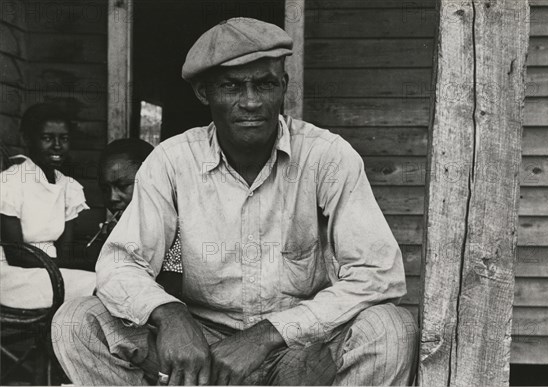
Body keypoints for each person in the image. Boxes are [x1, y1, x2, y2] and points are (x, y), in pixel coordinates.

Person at [52, 18, 418, 386]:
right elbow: (120, 262)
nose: (251, 101)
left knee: (390, 329)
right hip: (202, 350)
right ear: (203, 93)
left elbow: (378, 274)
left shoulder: (327, 157)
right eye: (231, 86)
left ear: (284, 87)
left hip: (299, 349)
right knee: (77, 322)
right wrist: (169, 314)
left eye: (265, 84)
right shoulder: (172, 161)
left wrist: (268, 334)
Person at [0, 103, 96, 309]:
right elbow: (15, 255)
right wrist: (80, 266)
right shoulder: (9, 183)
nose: (57, 146)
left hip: (52, 269)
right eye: (47, 138)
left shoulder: (68, 187)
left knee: (107, 280)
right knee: (99, 285)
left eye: (64, 138)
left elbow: (65, 250)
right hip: (14, 275)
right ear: (28, 140)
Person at [91, 138, 183, 298]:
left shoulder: (176, 228)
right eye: (105, 189)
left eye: (123, 186)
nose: (112, 197)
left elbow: (171, 287)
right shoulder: (117, 227)